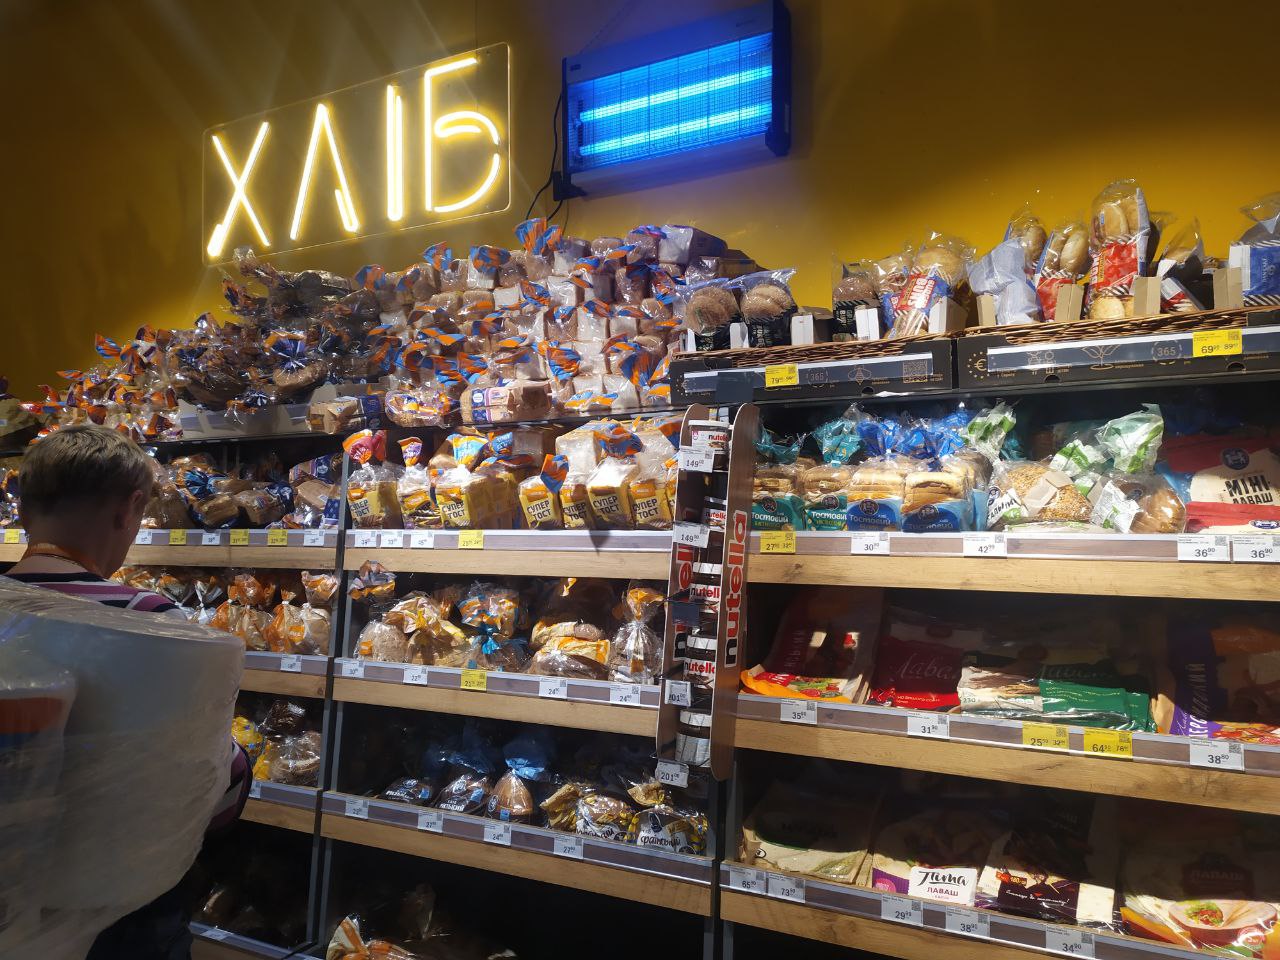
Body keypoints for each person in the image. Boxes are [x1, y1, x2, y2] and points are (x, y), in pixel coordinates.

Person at [2, 424, 251, 960]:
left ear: (23, 507)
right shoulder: (150, 622)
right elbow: (212, 788)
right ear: (129, 508)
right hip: (119, 913)